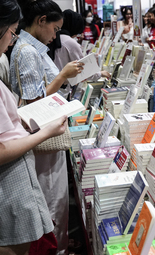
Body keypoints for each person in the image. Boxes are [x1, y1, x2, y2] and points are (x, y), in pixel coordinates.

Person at [9, 1, 84, 254]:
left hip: (43, 134)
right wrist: (62, 76)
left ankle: (58, 244)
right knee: (52, 198)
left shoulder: (30, 48)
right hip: (44, 136)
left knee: (54, 198)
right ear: (41, 20)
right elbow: (34, 104)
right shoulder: (28, 51)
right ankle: (56, 248)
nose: (56, 36)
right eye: (55, 28)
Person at [54, 9, 110, 96]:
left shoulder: (56, 38)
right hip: (62, 90)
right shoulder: (70, 42)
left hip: (55, 86)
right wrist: (101, 73)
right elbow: (84, 69)